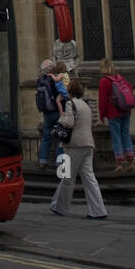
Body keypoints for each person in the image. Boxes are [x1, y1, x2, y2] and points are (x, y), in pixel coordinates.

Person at [50, 78, 107, 219]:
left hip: (75, 145)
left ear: (70, 91)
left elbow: (69, 123)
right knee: (89, 178)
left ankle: (60, 207)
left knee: (67, 176)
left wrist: (60, 119)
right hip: (88, 144)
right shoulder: (85, 105)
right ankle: (98, 210)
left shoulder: (71, 104)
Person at [98, 59, 135, 174]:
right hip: (125, 111)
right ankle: (130, 162)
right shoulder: (120, 78)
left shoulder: (104, 81)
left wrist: (102, 115)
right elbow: (130, 89)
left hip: (113, 113)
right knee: (125, 135)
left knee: (116, 138)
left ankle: (119, 163)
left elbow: (103, 100)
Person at [36, 60, 63, 169]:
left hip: (47, 113)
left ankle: (43, 160)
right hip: (57, 111)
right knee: (60, 137)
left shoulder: (40, 80)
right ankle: (59, 162)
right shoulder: (54, 79)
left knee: (47, 136)